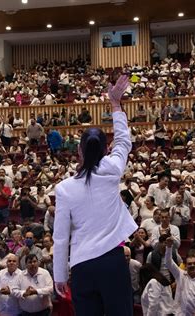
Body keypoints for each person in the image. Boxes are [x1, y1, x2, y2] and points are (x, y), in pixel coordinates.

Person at [53, 75, 138, 316]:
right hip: (112, 263)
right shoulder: (112, 169)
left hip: (81, 267)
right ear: (105, 149)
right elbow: (123, 141)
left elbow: (60, 238)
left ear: (79, 151)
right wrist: (115, 105)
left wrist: (59, 275)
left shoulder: (64, 188)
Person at [164, 236, 195, 315]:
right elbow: (168, 263)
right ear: (185, 266)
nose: (192, 265)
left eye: (194, 263)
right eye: (189, 264)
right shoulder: (181, 275)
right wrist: (169, 247)